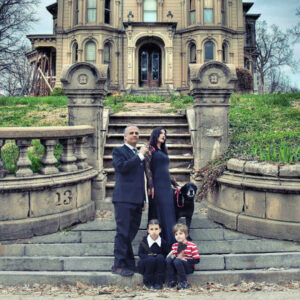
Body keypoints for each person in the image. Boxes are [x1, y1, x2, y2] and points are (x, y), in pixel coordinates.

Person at [111, 125, 148, 277]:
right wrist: (139, 156)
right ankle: (118, 265)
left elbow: (140, 179)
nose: (134, 135)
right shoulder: (118, 151)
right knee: (123, 233)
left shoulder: (138, 154)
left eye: (137, 133)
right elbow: (122, 168)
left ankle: (130, 264)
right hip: (123, 199)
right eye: (131, 133)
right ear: (125, 137)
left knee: (130, 233)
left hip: (137, 200)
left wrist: (143, 198)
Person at [145, 127, 178, 247]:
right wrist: (150, 185)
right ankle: (163, 241)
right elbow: (147, 168)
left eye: (165, 133)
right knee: (161, 211)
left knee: (169, 212)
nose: (163, 135)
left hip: (166, 186)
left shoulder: (163, 150)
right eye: (161, 133)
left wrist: (175, 184)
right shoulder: (150, 148)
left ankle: (171, 240)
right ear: (155, 135)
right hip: (157, 186)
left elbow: (165, 170)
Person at [166, 223, 200, 290]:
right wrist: (171, 256)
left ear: (186, 234)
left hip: (188, 267)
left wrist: (186, 260)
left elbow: (197, 260)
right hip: (177, 265)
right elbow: (174, 257)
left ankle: (184, 282)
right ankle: (173, 280)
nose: (178, 236)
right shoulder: (174, 245)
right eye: (176, 234)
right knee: (169, 260)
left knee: (177, 261)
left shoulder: (191, 245)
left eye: (180, 233)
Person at [137, 219, 169, 289]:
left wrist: (157, 256)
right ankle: (148, 282)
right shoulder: (144, 241)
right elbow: (140, 254)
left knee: (160, 258)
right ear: (148, 230)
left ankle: (158, 282)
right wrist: (149, 257)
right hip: (147, 263)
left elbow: (165, 253)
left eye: (156, 229)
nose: (154, 231)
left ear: (160, 230)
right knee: (150, 260)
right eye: (151, 229)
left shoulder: (163, 242)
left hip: (159, 263)